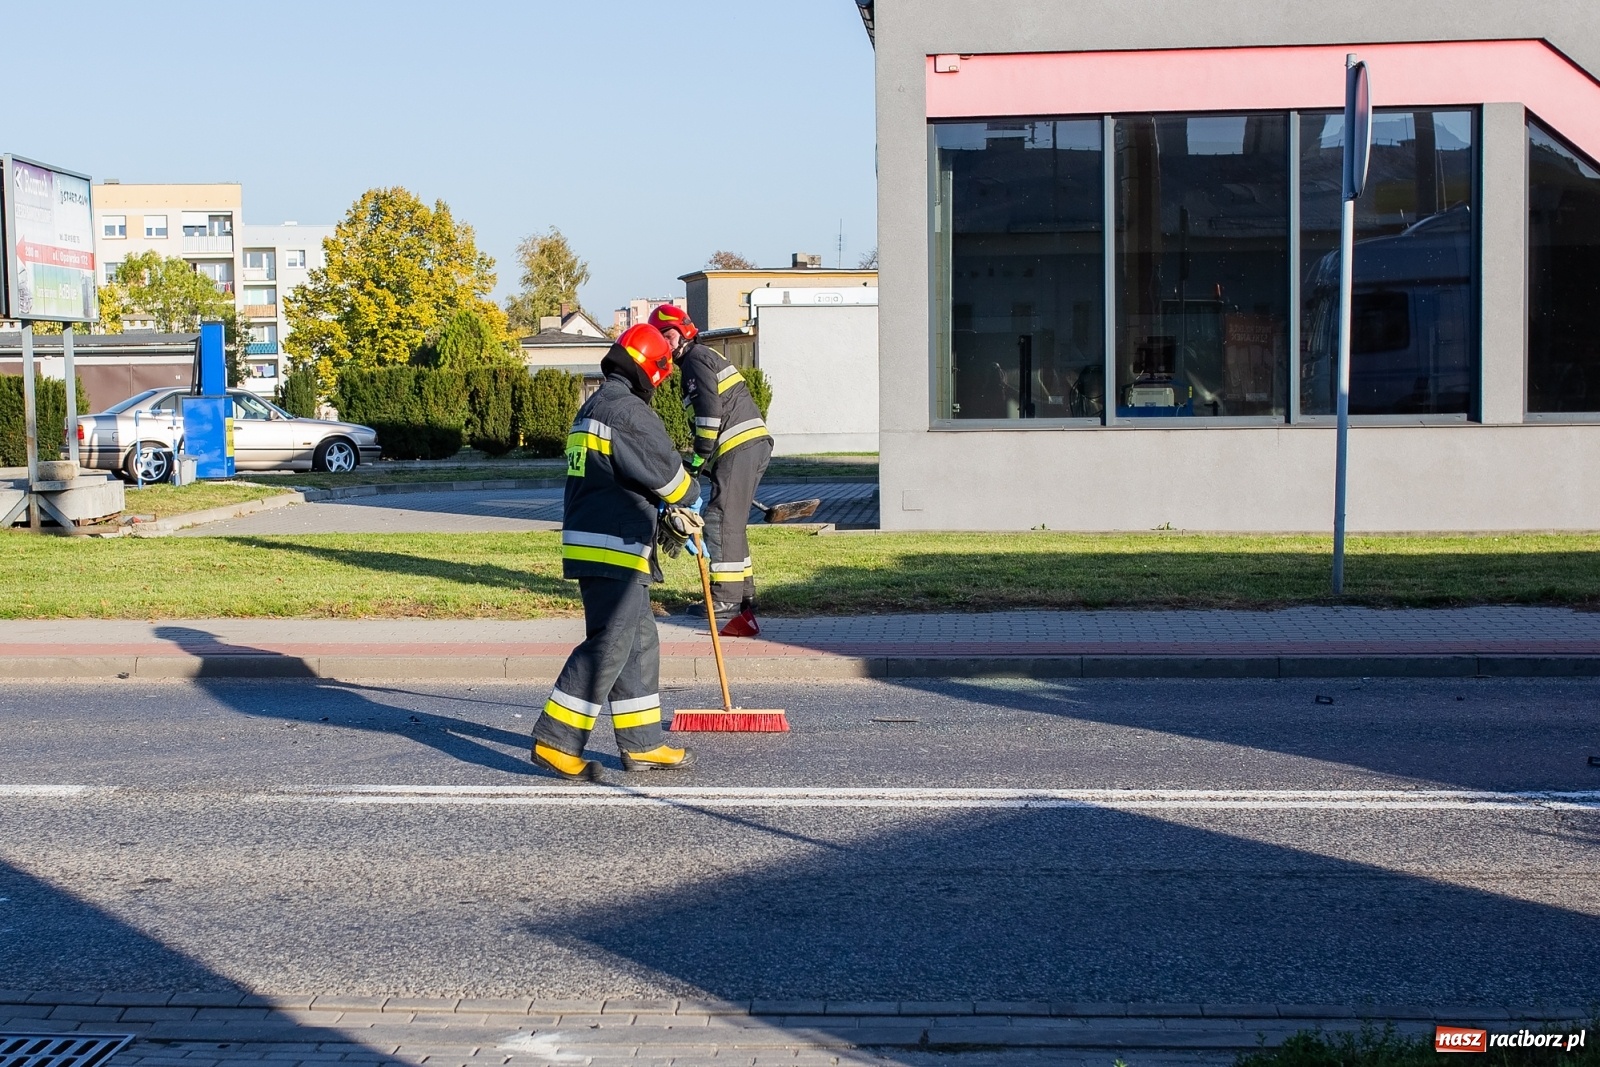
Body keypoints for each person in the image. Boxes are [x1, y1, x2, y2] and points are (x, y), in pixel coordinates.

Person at [530, 323, 704, 782]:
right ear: (653, 371)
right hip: (616, 543)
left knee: (638, 642)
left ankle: (642, 744)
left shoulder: (596, 405)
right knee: (610, 643)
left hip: (603, 540)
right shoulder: (629, 413)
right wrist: (690, 499)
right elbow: (673, 480)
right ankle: (556, 742)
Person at [648, 304, 773, 637]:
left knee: (718, 520)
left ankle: (725, 599)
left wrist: (699, 458)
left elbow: (709, 414)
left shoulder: (695, 360)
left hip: (738, 446)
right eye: (661, 338)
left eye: (669, 335)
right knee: (731, 521)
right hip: (746, 447)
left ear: (685, 332)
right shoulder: (700, 359)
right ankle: (744, 596)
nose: (665, 343)